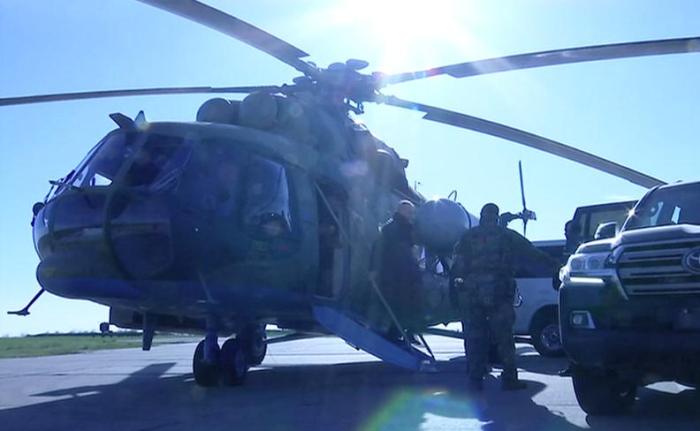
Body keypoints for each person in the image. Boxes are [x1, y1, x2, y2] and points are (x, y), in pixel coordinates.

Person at [452, 203, 555, 391]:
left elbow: (457, 265)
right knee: (505, 337)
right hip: (499, 292)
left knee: (475, 337)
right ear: (496, 216)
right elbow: (532, 252)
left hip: (473, 293)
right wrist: (556, 265)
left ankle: (475, 379)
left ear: (482, 216)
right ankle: (509, 378)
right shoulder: (506, 235)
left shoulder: (468, 237)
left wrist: (457, 289)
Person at [370, 200, 422, 342]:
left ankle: (404, 331)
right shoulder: (391, 228)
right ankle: (396, 333)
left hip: (405, 272)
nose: (410, 214)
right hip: (395, 272)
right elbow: (378, 248)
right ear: (400, 211)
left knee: (407, 303)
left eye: (411, 212)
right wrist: (373, 269)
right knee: (399, 303)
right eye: (407, 211)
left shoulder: (408, 228)